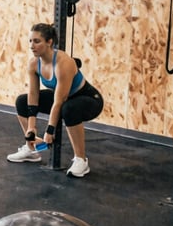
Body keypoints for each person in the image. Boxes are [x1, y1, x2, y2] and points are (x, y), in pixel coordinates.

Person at [6, 23, 104, 177]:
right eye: (30, 41)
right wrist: (31, 128)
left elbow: (59, 100)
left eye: (37, 41)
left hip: (89, 99)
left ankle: (81, 160)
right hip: (63, 99)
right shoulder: (34, 63)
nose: (32, 46)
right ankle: (32, 149)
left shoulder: (63, 63)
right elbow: (33, 95)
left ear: (49, 42)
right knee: (22, 101)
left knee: (68, 109)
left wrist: (49, 131)